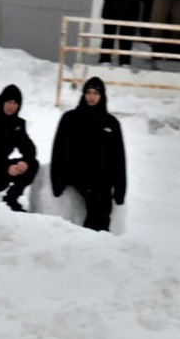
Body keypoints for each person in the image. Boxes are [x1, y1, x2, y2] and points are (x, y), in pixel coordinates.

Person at [50, 77, 127, 232]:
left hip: (101, 176)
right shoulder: (70, 118)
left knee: (103, 207)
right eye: (88, 92)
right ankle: (91, 241)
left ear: (102, 96)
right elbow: (58, 150)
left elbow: (118, 157)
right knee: (98, 202)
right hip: (78, 172)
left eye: (96, 93)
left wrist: (120, 189)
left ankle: (96, 242)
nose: (91, 97)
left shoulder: (111, 123)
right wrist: (57, 181)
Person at [99, 0, 151, 66]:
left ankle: (125, 61)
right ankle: (105, 59)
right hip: (112, 3)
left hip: (131, 6)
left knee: (127, 37)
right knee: (108, 35)